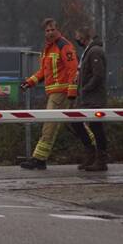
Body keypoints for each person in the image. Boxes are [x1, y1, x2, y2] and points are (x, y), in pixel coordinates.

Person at [19, 18, 78, 170]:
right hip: (54, 92)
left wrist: (72, 90)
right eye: (47, 30)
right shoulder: (47, 49)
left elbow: (73, 69)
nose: (50, 32)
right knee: (76, 124)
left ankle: (38, 159)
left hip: (61, 93)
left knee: (49, 125)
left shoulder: (64, 46)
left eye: (52, 29)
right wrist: (30, 82)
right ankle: (96, 150)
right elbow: (43, 72)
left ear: (58, 30)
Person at [67, 27, 109, 172]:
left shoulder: (95, 51)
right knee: (75, 122)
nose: (76, 38)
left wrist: (85, 89)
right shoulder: (88, 52)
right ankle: (91, 154)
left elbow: (98, 75)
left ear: (83, 35)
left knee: (97, 128)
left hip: (94, 99)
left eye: (77, 35)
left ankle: (101, 160)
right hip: (86, 99)